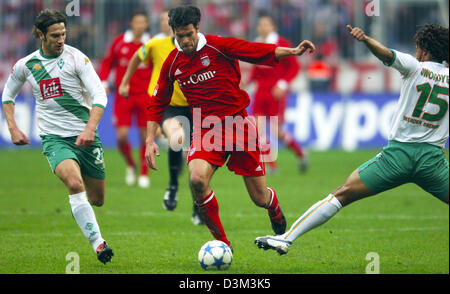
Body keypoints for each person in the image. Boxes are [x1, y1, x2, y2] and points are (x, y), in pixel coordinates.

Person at [255, 23, 449, 255]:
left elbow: (387, 54)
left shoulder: (414, 66)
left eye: (418, 48)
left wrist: (366, 39)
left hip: (397, 157)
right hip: (432, 161)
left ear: (424, 50)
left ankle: (286, 239)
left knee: (342, 194)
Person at [144, 6, 316, 247]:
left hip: (238, 125)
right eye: (179, 36)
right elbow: (157, 102)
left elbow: (255, 51)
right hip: (205, 130)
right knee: (196, 180)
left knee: (258, 197)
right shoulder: (173, 63)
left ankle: (272, 204)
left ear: (198, 29)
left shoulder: (218, 46)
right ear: (173, 32)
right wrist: (150, 139)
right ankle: (222, 244)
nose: (185, 41)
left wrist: (293, 51)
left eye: (189, 34)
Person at [2, 9, 114, 264]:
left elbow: (100, 95)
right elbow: (8, 95)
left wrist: (89, 129)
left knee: (97, 199)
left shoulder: (77, 59)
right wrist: (13, 127)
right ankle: (99, 245)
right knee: (75, 185)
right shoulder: (27, 65)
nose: (61, 39)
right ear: (40, 35)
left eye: (63, 33)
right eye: (54, 35)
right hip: (55, 139)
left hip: (86, 136)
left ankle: (92, 223)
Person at [119, 9, 203, 225]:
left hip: (196, 107)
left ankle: (198, 207)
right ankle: (173, 185)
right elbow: (137, 58)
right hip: (169, 106)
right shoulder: (156, 45)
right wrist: (125, 81)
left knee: (196, 163)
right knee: (176, 137)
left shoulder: (198, 45)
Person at [98, 9, 152, 188]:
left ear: (146, 24)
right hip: (123, 96)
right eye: (136, 22)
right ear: (131, 23)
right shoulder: (119, 42)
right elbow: (107, 62)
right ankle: (131, 164)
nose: (139, 25)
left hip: (145, 95)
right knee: (121, 137)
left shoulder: (151, 44)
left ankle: (144, 173)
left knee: (146, 136)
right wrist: (104, 82)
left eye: (142, 22)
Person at [248, 14, 308, 173]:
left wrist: (282, 84)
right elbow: (256, 69)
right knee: (257, 130)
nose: (263, 28)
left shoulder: (281, 44)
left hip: (276, 93)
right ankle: (272, 166)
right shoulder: (256, 44)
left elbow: (294, 67)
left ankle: (301, 153)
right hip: (261, 92)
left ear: (273, 27)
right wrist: (246, 82)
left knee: (277, 132)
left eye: (267, 24)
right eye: (261, 25)